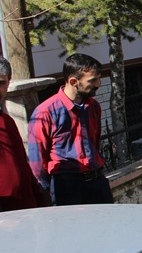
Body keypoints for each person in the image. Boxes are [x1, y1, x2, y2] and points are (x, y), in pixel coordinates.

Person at [28, 53, 114, 205]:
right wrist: (51, 189)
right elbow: (37, 162)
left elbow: (95, 142)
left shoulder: (93, 106)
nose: (98, 84)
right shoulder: (45, 112)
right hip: (66, 187)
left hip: (97, 182)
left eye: (98, 79)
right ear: (74, 81)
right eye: (92, 80)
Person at [1, 57, 48, 211]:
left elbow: (22, 165)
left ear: (9, 83)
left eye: (1, 83)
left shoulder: (7, 121)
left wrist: (39, 201)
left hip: (24, 210)